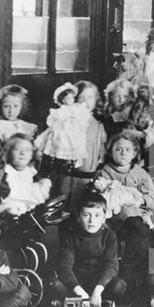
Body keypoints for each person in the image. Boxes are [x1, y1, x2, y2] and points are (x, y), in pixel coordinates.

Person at [49, 194, 128, 307]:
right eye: (86, 215)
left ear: (104, 218)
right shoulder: (70, 236)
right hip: (76, 284)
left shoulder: (109, 236)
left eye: (97, 215)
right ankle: (76, 303)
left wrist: (98, 290)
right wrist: (79, 291)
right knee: (54, 284)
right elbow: (65, 267)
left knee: (119, 285)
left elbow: (111, 266)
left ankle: (99, 302)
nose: (92, 220)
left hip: (99, 284)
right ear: (78, 217)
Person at [91, 130, 154, 224]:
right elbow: (97, 198)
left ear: (134, 153)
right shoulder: (104, 173)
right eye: (118, 149)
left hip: (137, 213)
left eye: (128, 149)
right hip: (111, 215)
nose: (123, 153)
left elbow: (152, 198)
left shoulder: (141, 174)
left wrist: (141, 200)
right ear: (110, 152)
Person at [35, 83, 90, 191]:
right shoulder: (60, 111)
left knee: (75, 143)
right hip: (62, 133)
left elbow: (84, 119)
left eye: (71, 97)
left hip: (74, 132)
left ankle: (71, 162)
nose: (70, 100)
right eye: (67, 98)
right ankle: (59, 163)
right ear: (63, 100)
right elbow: (52, 123)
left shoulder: (77, 108)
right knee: (59, 142)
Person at [63, 80, 108, 212]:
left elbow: (101, 152)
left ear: (96, 100)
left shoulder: (98, 125)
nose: (85, 101)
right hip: (68, 177)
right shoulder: (67, 121)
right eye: (81, 97)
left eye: (89, 97)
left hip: (88, 179)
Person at [0, 134, 52, 217]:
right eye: (17, 149)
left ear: (32, 155)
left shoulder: (30, 172)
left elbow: (31, 194)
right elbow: (2, 200)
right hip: (9, 208)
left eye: (27, 150)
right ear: (9, 152)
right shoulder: (6, 172)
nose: (22, 153)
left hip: (28, 209)